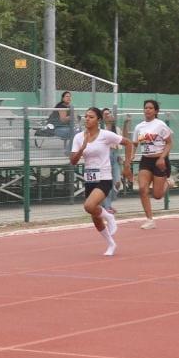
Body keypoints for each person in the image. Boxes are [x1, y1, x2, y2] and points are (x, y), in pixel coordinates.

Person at [70, 106, 135, 256]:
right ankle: (111, 244)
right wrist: (82, 149)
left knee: (88, 206)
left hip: (104, 178)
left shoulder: (106, 135)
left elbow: (128, 143)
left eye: (91, 117)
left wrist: (126, 165)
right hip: (89, 179)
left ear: (98, 120)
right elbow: (73, 161)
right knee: (95, 217)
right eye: (86, 116)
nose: (87, 119)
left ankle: (109, 215)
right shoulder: (79, 137)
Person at [133, 98, 174, 229]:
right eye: (146, 108)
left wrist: (162, 158)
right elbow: (135, 144)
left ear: (156, 111)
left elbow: (169, 143)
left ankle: (168, 182)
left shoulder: (160, 125)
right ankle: (149, 220)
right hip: (145, 160)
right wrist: (131, 155)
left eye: (150, 108)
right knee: (142, 189)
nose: (147, 110)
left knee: (157, 195)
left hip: (159, 160)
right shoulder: (139, 127)